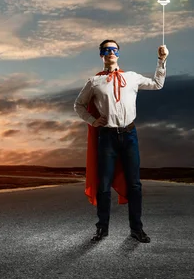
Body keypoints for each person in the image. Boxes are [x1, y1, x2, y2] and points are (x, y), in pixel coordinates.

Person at [74, 40, 168, 243]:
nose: (111, 52)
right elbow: (79, 105)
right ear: (101, 55)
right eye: (106, 50)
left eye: (114, 49)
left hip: (129, 135)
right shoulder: (94, 82)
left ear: (118, 54)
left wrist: (161, 60)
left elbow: (157, 84)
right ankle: (102, 229)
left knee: (135, 184)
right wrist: (92, 120)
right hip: (107, 136)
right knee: (104, 185)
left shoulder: (131, 77)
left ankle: (137, 229)